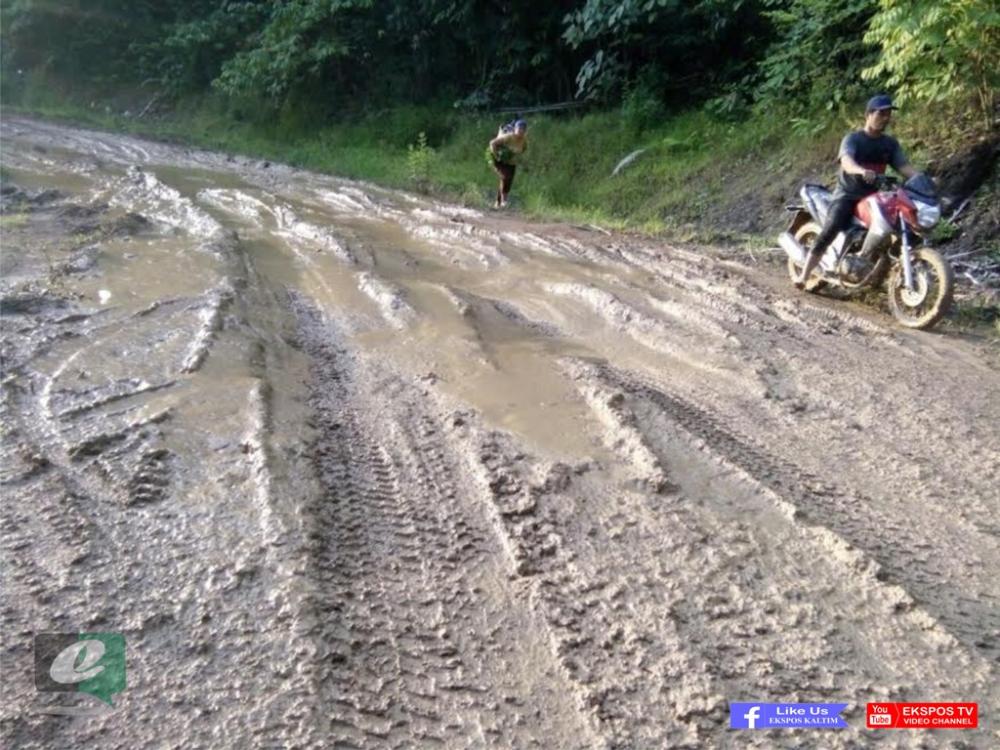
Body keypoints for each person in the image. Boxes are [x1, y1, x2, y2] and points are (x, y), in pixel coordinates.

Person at [794, 94, 917, 289]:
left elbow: (904, 167)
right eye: (881, 113)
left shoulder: (889, 144)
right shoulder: (853, 139)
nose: (885, 117)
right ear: (868, 114)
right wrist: (861, 171)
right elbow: (847, 162)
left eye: (888, 114)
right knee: (831, 227)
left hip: (874, 198)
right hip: (848, 196)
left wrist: (922, 179)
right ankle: (805, 274)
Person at [487, 119, 527, 209]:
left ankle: (498, 203)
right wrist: (496, 155)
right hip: (498, 160)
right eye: (519, 128)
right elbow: (492, 143)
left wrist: (515, 155)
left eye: (523, 129)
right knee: (505, 177)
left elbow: (523, 149)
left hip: (511, 162)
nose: (521, 131)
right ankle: (504, 201)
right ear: (515, 129)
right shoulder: (508, 137)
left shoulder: (523, 140)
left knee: (508, 181)